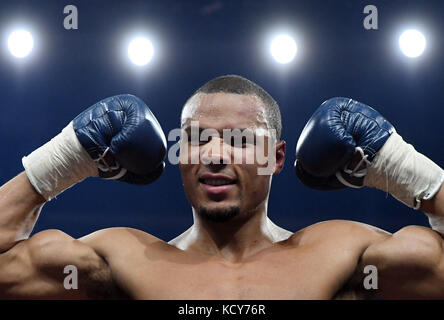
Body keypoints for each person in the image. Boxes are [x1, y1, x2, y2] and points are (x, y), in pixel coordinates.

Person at [0, 75, 443, 299]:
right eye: (196, 138)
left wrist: (400, 166)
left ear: (276, 157)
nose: (215, 154)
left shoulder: (341, 253)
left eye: (240, 140)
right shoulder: (122, 259)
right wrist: (68, 156)